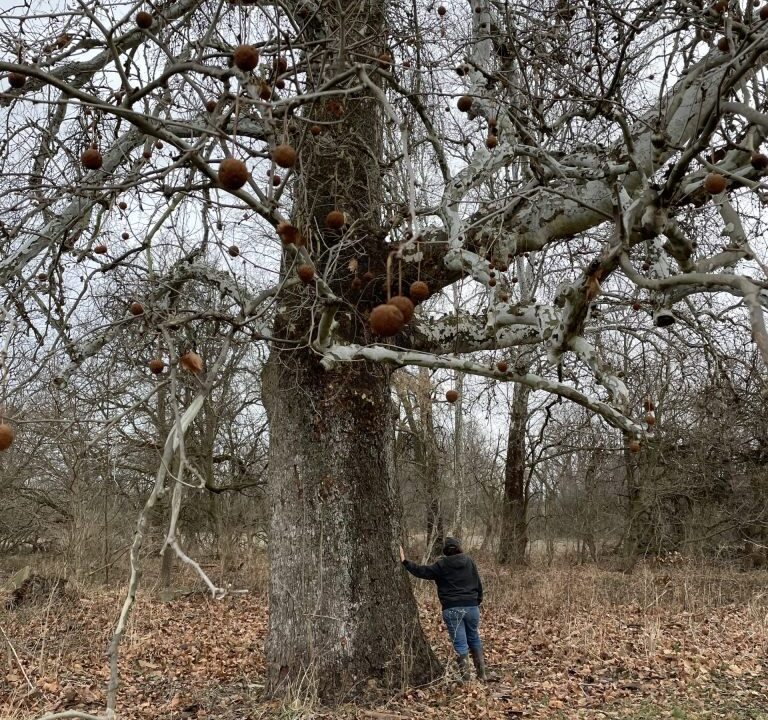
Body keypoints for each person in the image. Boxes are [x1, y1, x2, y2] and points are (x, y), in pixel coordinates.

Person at [399, 537, 486, 682]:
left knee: (460, 643)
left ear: (445, 551)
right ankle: (482, 675)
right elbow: (478, 582)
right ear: (459, 548)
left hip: (452, 609)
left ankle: (466, 679)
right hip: (472, 607)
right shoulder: (469, 561)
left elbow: (422, 571)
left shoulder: (441, 565)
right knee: (474, 638)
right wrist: (476, 601)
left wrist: (405, 562)